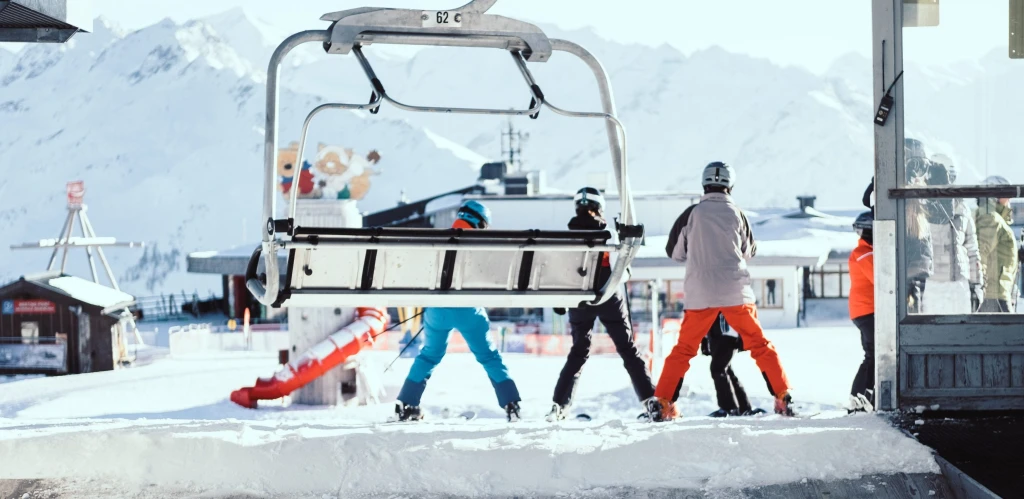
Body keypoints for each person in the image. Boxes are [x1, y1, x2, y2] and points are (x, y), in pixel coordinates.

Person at [655, 162, 794, 420]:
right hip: (735, 292)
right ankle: (783, 395)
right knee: (760, 345)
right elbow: (748, 252)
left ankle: (663, 402)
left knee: (684, 349)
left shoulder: (692, 214)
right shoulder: (738, 214)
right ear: (730, 185)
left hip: (700, 294)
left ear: (704, 184)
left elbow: (674, 253)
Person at [395, 200, 523, 422]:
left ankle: (407, 403)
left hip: (438, 310)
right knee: (489, 356)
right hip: (468, 310)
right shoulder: (480, 245)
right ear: (480, 223)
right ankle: (511, 403)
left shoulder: (438, 240)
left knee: (429, 355)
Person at [547, 187, 660, 422]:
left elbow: (563, 271)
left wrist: (560, 300)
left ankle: (559, 405)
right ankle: (650, 400)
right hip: (608, 295)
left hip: (580, 298)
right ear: (599, 208)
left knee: (579, 351)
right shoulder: (607, 232)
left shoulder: (567, 237)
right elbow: (623, 265)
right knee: (628, 349)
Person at [922, 157, 983, 314]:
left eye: (951, 177)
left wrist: (976, 284)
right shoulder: (921, 206)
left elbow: (972, 249)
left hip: (959, 283)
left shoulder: (963, 208)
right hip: (932, 283)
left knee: (962, 333)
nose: (947, 182)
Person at [701, 313, 765, 417]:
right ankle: (743, 407)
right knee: (726, 369)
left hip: (727, 332)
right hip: (718, 333)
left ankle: (729, 408)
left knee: (718, 369)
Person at [975, 176, 1020, 313]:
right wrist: (978, 286)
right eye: (1007, 195)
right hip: (994, 297)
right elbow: (981, 252)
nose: (1010, 200)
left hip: (996, 294)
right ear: (995, 197)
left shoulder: (994, 217)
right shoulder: (990, 218)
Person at [848, 212, 875, 412]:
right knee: (872, 355)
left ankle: (862, 398)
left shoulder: (866, 251)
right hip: (867, 310)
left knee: (872, 355)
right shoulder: (864, 253)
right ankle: (859, 399)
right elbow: (880, 278)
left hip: (866, 310)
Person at [905, 139, 934, 313]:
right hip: (904, 270)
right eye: (914, 166)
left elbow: (945, 216)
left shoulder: (926, 197)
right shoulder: (898, 196)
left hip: (921, 269)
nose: (918, 174)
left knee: (917, 313)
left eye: (923, 167)